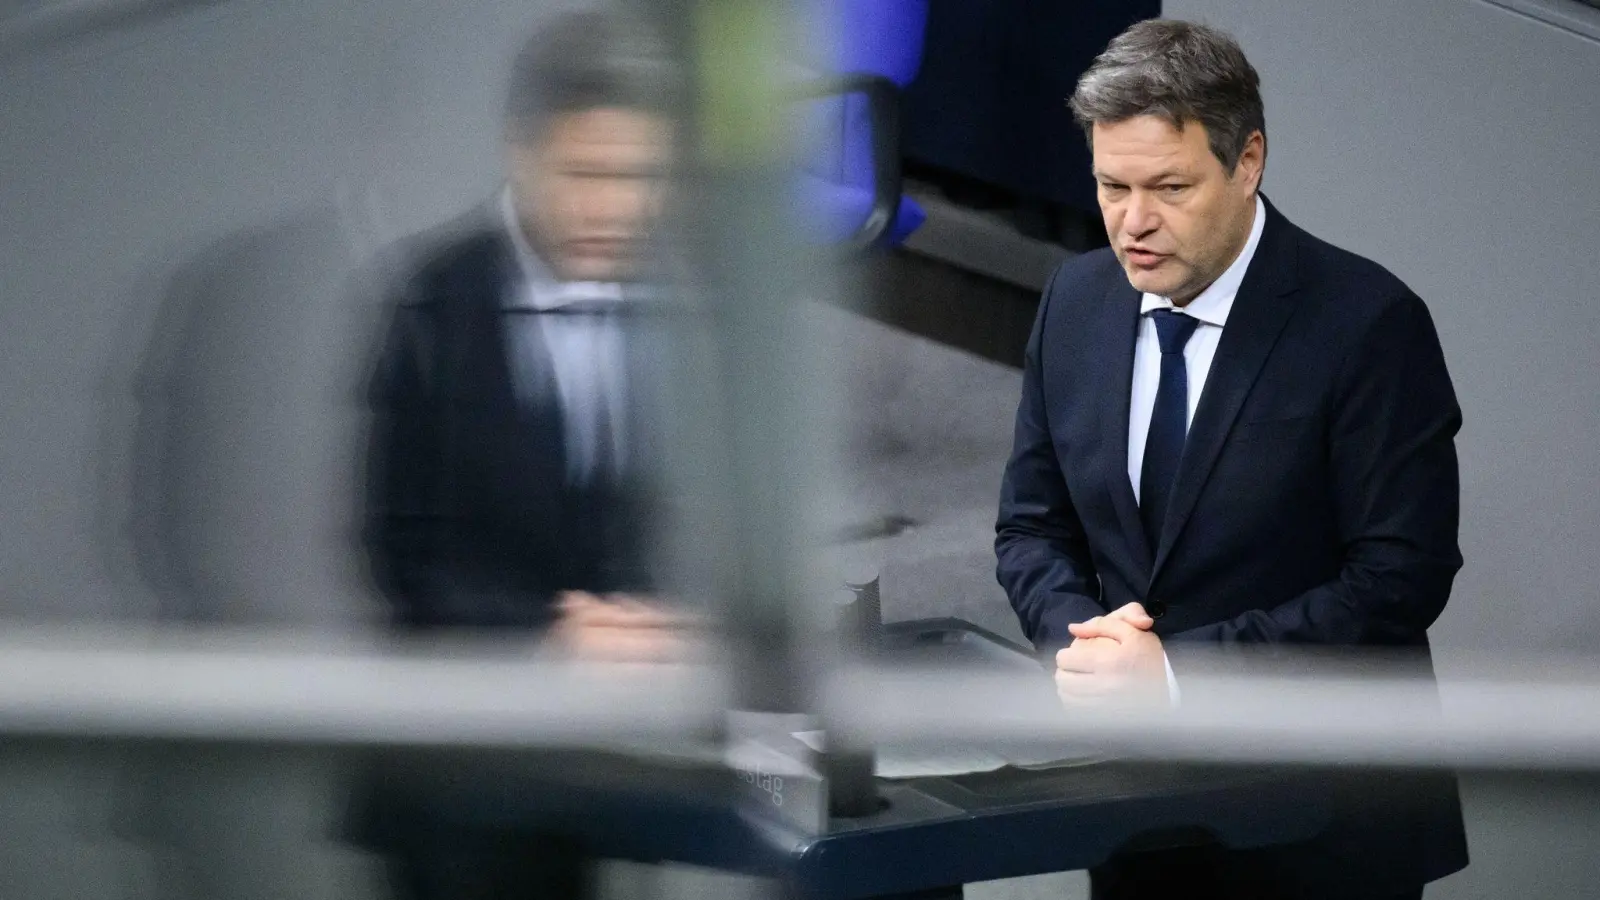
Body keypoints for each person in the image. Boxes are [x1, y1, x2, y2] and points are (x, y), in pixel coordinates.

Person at [993, 19, 1468, 900]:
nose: (1132, 223)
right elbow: (1032, 522)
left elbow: (1400, 577)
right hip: (1137, 812)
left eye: (1169, 187)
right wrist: (1090, 649)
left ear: (1248, 162)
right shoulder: (1077, 298)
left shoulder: (1368, 324)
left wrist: (1177, 673)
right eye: (1110, 186)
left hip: (1323, 820)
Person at [355, 10, 690, 899]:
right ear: (523, 155)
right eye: (587, 174)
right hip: (461, 773)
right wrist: (546, 635)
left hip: (614, 758)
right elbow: (399, 557)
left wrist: (662, 614)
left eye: (638, 178)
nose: (614, 208)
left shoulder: (675, 296)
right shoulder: (436, 302)